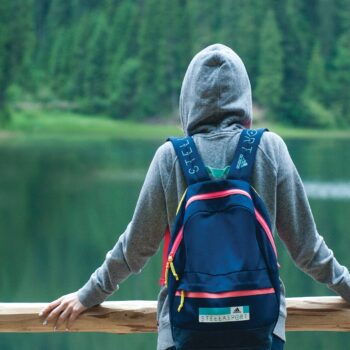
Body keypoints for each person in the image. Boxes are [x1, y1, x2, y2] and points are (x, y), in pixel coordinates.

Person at [39, 44, 350, 350]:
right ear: (244, 95)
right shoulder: (270, 149)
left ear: (188, 99)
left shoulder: (170, 157)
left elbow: (136, 248)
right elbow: (307, 249)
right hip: (260, 327)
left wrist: (87, 295)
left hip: (184, 329)